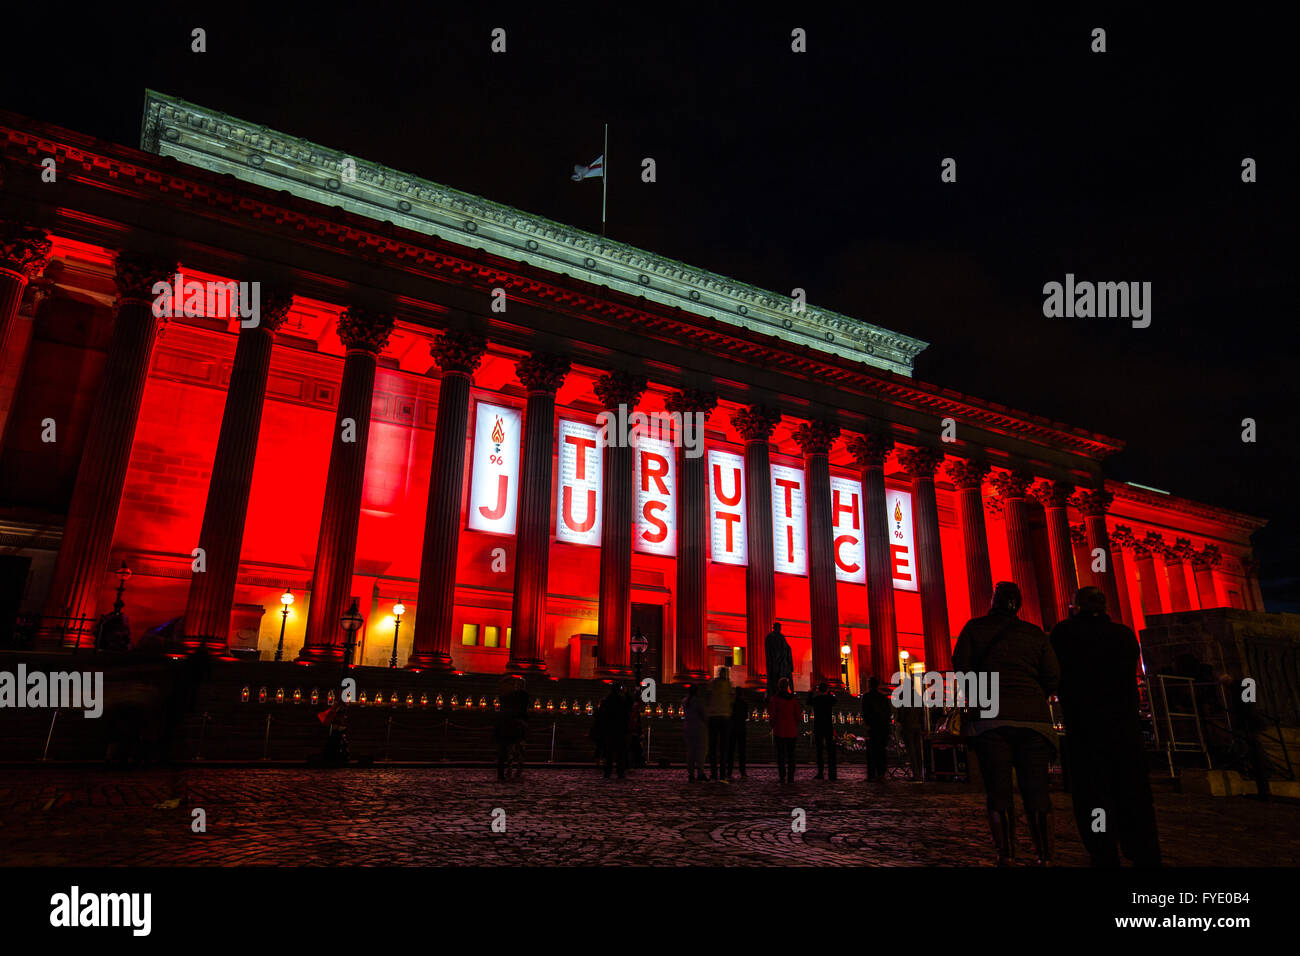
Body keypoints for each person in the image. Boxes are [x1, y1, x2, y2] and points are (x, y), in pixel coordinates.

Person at [1051, 586, 1162, 866]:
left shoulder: (1064, 634)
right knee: (1134, 791)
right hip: (1124, 725)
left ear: (1075, 607)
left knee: (1092, 792)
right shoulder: (1124, 634)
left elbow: (1054, 674)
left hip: (1085, 725)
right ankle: (1142, 851)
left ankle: (1103, 851)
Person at [953, 580, 1061, 866]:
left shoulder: (974, 628)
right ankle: (1045, 856)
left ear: (993, 602)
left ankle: (1006, 854)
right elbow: (1053, 676)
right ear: (1019, 605)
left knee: (998, 790)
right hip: (1033, 721)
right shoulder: (1034, 633)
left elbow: (961, 668)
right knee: (1036, 790)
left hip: (991, 720)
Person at [493, 675, 530, 780]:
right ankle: (512, 770)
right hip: (511, 723)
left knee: (506, 749)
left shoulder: (511, 695)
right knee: (511, 748)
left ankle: (505, 771)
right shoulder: (515, 695)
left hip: (509, 723)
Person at [769, 677, 803, 783]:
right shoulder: (793, 700)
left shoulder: (775, 699)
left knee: (781, 755)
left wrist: (773, 725)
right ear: (787, 686)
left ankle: (782, 775)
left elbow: (772, 715)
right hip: (791, 731)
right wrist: (795, 724)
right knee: (791, 755)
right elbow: (798, 715)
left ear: (779, 686)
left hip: (779, 730)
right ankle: (791, 776)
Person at [706, 666, 736, 781]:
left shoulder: (712, 683)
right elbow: (732, 699)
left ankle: (714, 772)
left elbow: (708, 697)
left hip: (713, 716)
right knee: (724, 748)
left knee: (713, 747)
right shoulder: (728, 684)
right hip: (724, 716)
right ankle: (723, 773)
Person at [595, 684, 630, 779]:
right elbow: (629, 708)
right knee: (620, 754)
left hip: (610, 730)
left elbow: (600, 714)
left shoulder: (607, 700)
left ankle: (608, 772)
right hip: (619, 729)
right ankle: (620, 772)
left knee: (609, 754)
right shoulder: (621, 700)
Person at [862, 677, 893, 781]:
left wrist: (868, 724)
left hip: (873, 727)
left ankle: (872, 774)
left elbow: (865, 712)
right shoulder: (883, 697)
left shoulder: (866, 697)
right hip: (883, 727)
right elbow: (888, 712)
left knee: (872, 751)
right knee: (881, 751)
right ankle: (881, 773)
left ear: (869, 685)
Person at [895, 677, 926, 782]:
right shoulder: (917, 695)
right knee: (918, 750)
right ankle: (920, 773)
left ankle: (916, 773)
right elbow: (922, 711)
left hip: (908, 726)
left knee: (911, 750)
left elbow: (901, 710)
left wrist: (900, 721)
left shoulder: (903, 695)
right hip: (917, 725)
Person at [808, 681, 837, 780]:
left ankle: (820, 772)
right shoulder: (830, 698)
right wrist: (829, 693)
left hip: (818, 725)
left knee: (819, 750)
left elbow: (808, 702)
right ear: (826, 689)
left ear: (819, 689)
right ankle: (832, 773)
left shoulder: (816, 699)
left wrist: (811, 692)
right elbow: (835, 700)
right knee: (830, 750)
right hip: (828, 725)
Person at [683, 683, 709, 782]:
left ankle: (690, 773)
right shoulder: (698, 702)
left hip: (688, 727)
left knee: (690, 751)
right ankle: (700, 773)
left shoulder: (685, 701)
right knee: (701, 752)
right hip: (699, 728)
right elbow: (704, 715)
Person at [764, 622, 793, 698]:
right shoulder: (770, 637)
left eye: (779, 627)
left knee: (781, 677)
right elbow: (767, 650)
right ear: (774, 628)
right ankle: (773, 692)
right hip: (773, 661)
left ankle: (781, 691)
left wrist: (788, 660)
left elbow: (787, 647)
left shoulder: (781, 637)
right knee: (773, 678)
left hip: (781, 661)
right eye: (778, 627)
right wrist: (770, 660)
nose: (779, 629)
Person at [726, 687, 748, 779]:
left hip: (732, 729)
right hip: (741, 728)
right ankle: (742, 772)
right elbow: (746, 716)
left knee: (731, 751)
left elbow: (729, 715)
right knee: (742, 752)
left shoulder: (731, 704)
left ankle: (729, 772)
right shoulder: (744, 704)